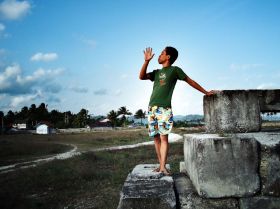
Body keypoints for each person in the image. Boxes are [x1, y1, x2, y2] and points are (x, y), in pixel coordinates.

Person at [139, 46, 216, 176]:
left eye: (162, 53)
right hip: (152, 108)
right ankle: (161, 165)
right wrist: (146, 61)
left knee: (164, 138)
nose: (159, 55)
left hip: (164, 108)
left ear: (168, 57)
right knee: (156, 138)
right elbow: (141, 76)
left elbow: (190, 81)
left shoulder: (175, 70)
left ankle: (163, 167)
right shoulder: (156, 73)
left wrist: (206, 92)